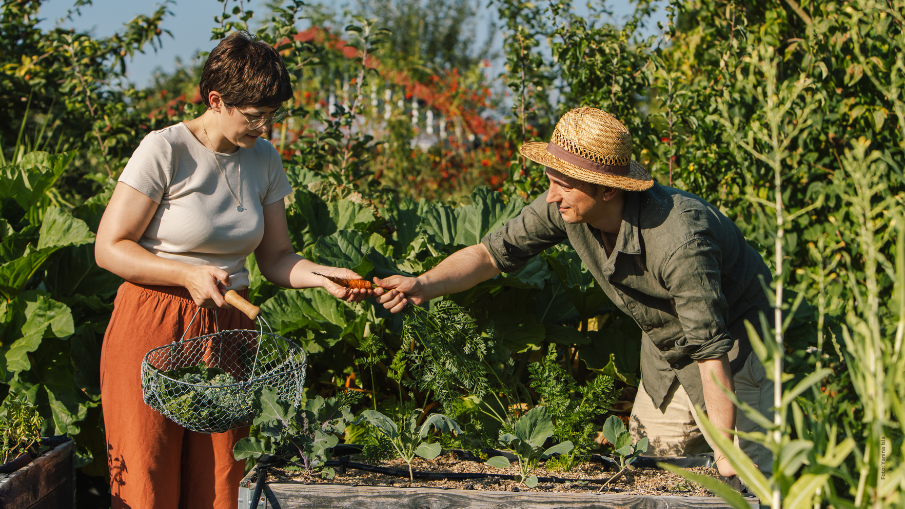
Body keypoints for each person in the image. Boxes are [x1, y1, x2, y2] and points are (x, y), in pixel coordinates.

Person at [374, 107, 774, 479]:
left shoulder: (679, 240)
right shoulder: (566, 205)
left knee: (751, 483)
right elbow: (490, 254)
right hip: (666, 355)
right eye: (550, 181)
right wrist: (424, 283)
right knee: (647, 476)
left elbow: (710, 349)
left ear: (607, 191)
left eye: (562, 185)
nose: (551, 196)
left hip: (736, 351)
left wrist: (726, 452)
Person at [95, 31, 372, 508]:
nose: (265, 127)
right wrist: (185, 274)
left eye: (271, 115)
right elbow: (109, 248)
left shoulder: (264, 159)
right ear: (216, 100)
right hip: (154, 319)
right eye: (254, 115)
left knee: (221, 481)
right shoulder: (166, 150)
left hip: (228, 326)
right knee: (146, 476)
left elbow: (277, 258)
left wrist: (327, 276)